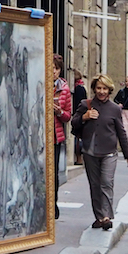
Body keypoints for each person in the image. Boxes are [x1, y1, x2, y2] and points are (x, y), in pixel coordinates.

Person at [71, 74, 128, 231]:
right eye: (98, 88)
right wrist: (85, 117)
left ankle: (106, 216)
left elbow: (121, 132)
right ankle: (99, 217)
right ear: (94, 89)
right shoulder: (86, 104)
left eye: (104, 88)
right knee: (95, 185)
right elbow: (73, 122)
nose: (101, 91)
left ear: (109, 90)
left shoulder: (114, 109)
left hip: (109, 153)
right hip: (90, 151)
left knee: (106, 183)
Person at [51, 54, 72, 219]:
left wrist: (59, 112)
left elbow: (67, 116)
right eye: (51, 68)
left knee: (54, 174)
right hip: (38, 135)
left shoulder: (64, 89)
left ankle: (53, 205)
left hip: (55, 136)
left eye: (56, 69)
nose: (53, 72)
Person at [72, 70, 87, 165]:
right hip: (82, 114)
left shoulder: (78, 89)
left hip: (79, 115)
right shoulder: (82, 88)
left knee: (77, 137)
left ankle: (79, 158)